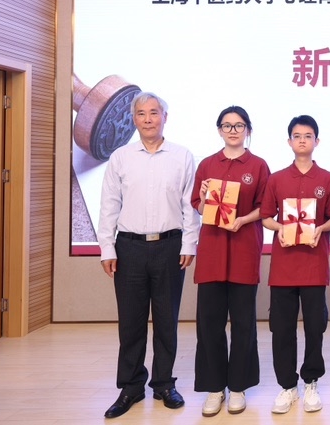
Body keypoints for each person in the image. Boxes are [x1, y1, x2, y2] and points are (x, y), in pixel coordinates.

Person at [97, 92, 199, 419]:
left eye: (154, 113)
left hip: (170, 246)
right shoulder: (121, 157)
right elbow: (109, 205)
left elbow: (190, 206)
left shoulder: (182, 156)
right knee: (131, 322)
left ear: (165, 117)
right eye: (141, 113)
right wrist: (107, 248)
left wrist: (189, 244)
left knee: (167, 320)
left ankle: (164, 383)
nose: (148, 119)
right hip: (129, 247)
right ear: (134, 119)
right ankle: (131, 387)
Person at [191, 106, 270, 417]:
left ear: (248, 129)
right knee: (209, 324)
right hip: (212, 253)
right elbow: (199, 206)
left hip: (243, 250)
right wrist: (202, 197)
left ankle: (237, 386)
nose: (233, 131)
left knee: (243, 323)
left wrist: (243, 219)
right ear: (219, 130)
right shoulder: (208, 164)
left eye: (239, 125)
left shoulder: (258, 166)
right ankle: (214, 388)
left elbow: (266, 207)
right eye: (227, 125)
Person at [260, 115, 330, 414]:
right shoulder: (277, 179)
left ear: (316, 141)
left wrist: (321, 228)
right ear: (289, 141)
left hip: (314, 266)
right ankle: (287, 386)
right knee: (282, 329)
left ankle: (311, 382)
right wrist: (280, 227)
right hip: (283, 268)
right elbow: (266, 216)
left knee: (315, 327)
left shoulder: (328, 179)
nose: (302, 140)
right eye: (297, 135)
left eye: (308, 136)